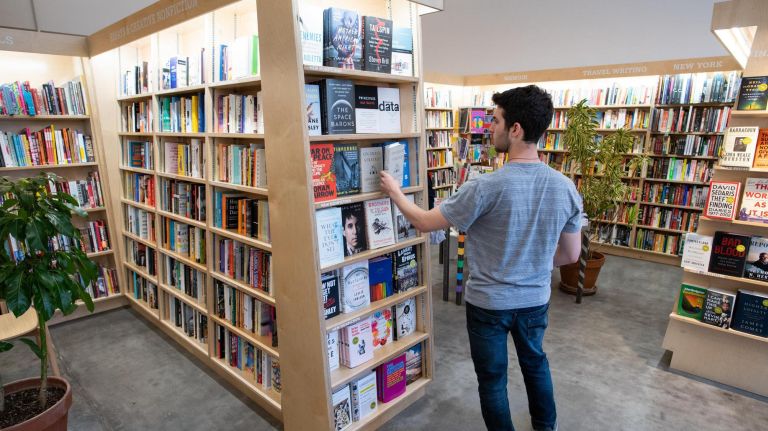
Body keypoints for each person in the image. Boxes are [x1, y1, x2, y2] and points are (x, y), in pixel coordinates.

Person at [379, 85, 582, 431]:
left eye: (497, 120)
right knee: (536, 363)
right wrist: (533, 265)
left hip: (489, 303)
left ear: (515, 129)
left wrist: (396, 193)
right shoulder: (565, 187)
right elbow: (571, 253)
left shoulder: (485, 187)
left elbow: (425, 221)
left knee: (492, 381)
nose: (490, 127)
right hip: (535, 299)